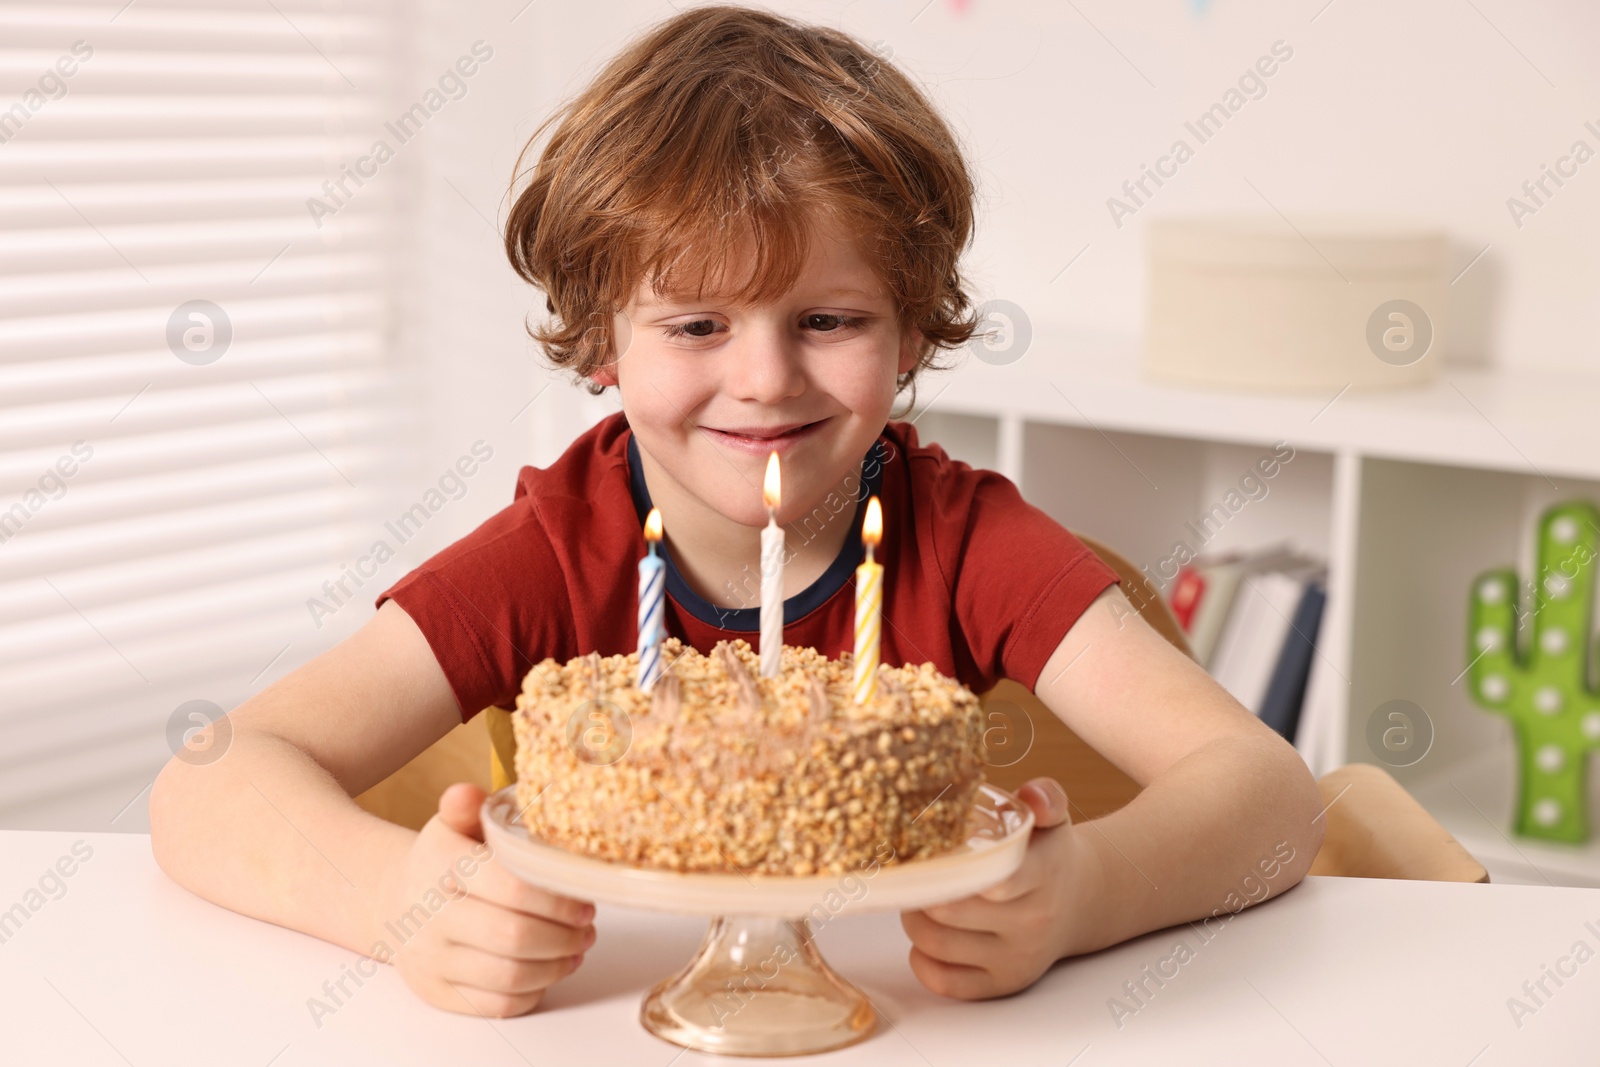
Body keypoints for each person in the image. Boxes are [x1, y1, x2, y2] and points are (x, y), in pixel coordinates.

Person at [150, 4, 1324, 1019]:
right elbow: (209, 773)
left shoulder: (964, 543)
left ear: (912, 327)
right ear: (601, 337)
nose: (764, 378)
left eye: (827, 320)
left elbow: (1266, 789)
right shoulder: (554, 553)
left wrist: (1085, 894)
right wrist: (391, 899)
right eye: (697, 324)